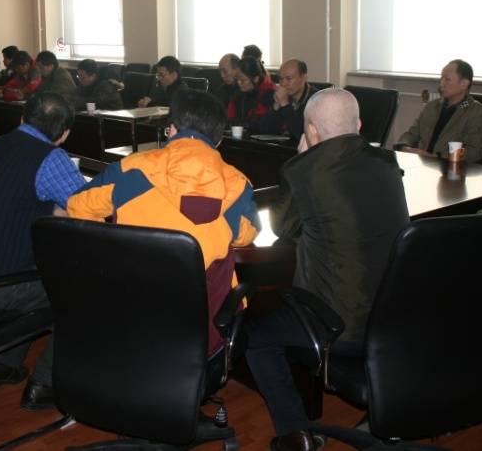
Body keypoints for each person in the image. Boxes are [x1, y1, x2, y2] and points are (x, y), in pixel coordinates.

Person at [249, 89, 409, 451]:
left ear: (311, 131)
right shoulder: (388, 163)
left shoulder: (303, 171)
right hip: (395, 320)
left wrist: (301, 157)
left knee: (256, 336)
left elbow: (282, 227)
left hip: (341, 329)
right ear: (359, 125)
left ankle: (296, 434)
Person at [68, 88, 260, 359]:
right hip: (202, 332)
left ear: (171, 130)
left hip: (128, 319)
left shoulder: (129, 170)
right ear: (218, 140)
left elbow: (77, 205)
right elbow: (246, 235)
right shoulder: (238, 185)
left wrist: (111, 251)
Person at [0, 92, 86, 406]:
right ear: (64, 134)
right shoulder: (50, 157)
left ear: (22, 118)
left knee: (37, 269)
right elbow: (87, 207)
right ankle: (45, 384)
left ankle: (2, 365)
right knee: (83, 290)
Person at [394, 59, 482, 163]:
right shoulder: (432, 106)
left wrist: (437, 156)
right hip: (422, 163)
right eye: (441, 79)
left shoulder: (475, 111)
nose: (441, 84)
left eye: (447, 79)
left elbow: (475, 151)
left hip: (449, 167)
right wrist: (405, 147)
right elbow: (412, 133)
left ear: (464, 84)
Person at [259, 59, 316, 139]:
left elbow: (302, 135)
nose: (283, 83)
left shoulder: (316, 100)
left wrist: (285, 105)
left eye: (288, 79)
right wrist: (276, 107)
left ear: (304, 78)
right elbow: (264, 130)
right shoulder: (279, 95)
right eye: (281, 79)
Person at [227, 56, 275, 132]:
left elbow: (263, 124)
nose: (239, 83)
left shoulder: (269, 94)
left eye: (242, 80)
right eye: (237, 79)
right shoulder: (239, 93)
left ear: (256, 78)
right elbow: (230, 118)